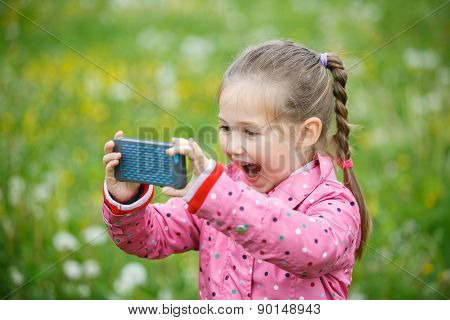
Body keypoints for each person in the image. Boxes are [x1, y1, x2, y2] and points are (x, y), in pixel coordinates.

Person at [101, 39, 371, 300]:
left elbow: (311, 252)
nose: (233, 146)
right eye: (225, 128)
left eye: (250, 132)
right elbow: (151, 238)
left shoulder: (333, 203)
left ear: (305, 133)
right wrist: (128, 201)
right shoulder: (221, 188)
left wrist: (215, 195)